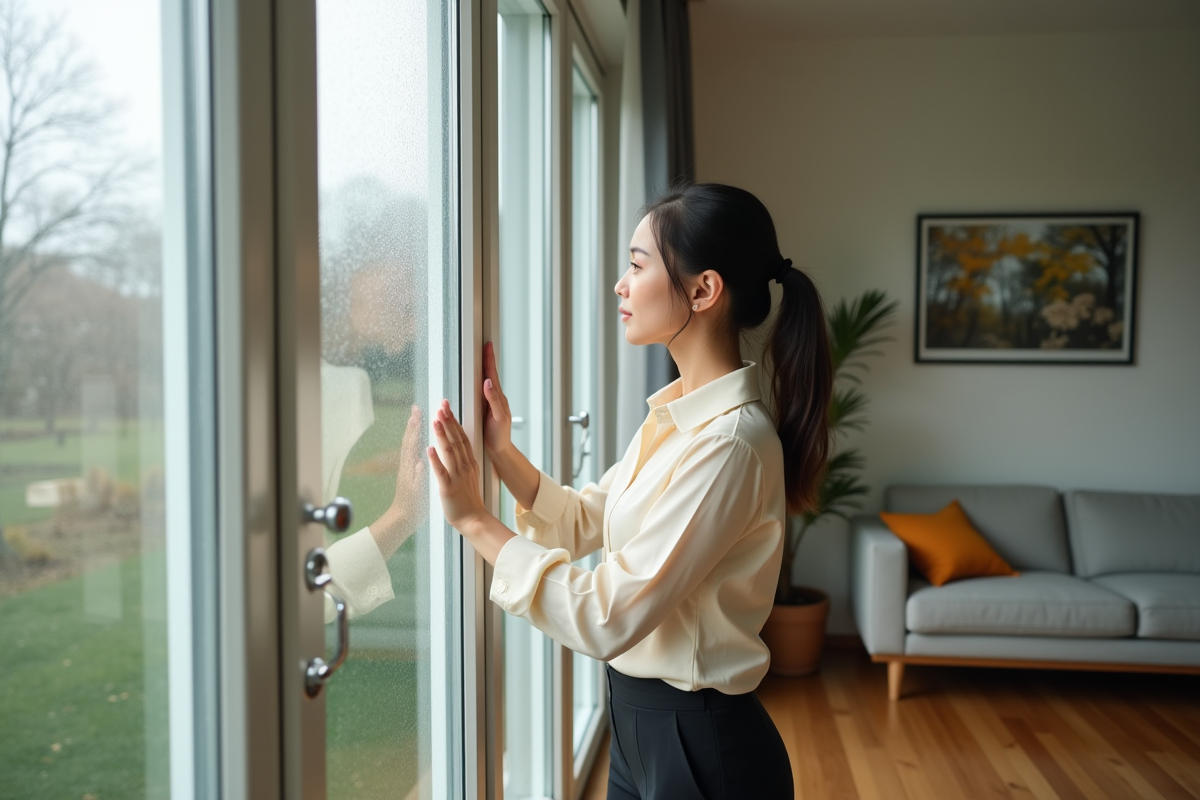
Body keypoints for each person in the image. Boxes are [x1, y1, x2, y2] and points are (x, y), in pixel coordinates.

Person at [428, 182, 832, 799]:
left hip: (702, 749)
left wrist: (476, 522)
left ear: (703, 291)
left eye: (638, 265)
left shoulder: (727, 447)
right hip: (640, 729)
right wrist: (502, 452)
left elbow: (609, 614)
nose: (620, 283)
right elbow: (589, 517)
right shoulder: (677, 420)